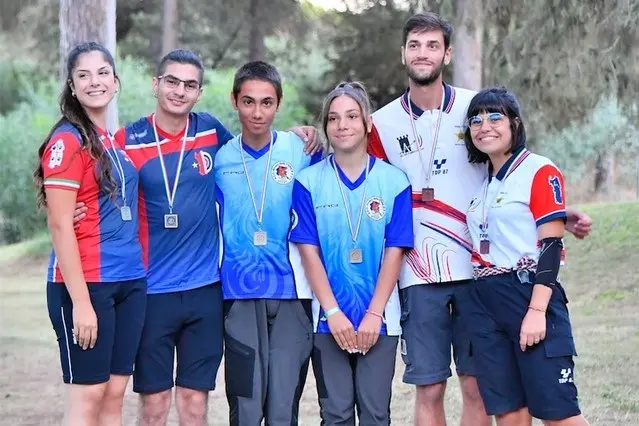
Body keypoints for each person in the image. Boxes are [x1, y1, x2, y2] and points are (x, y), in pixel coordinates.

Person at [367, 12, 593, 426]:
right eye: (415, 45)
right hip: (417, 273)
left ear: (447, 53)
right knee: (430, 387)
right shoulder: (379, 123)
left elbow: (518, 170)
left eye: (433, 45)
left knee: (478, 386)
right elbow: (362, 182)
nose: (423, 53)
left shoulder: (476, 108)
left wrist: (560, 210)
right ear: (403, 53)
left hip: (477, 274)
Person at [72, 49, 319, 426]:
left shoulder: (212, 134)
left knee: (193, 405)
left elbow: (257, 150)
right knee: (154, 406)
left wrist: (303, 133)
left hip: (206, 290)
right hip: (151, 291)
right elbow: (91, 184)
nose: (179, 91)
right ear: (156, 84)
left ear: (199, 93)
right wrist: (72, 209)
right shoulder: (127, 140)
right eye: (172, 81)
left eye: (189, 84)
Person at [34, 42, 147, 426]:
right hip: (87, 285)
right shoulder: (68, 140)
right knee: (88, 398)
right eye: (84, 75)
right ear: (72, 84)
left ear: (115, 82)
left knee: (114, 395)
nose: (94, 81)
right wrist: (81, 303)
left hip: (128, 280)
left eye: (102, 73)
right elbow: (60, 223)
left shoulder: (113, 140)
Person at [463, 86, 590, 426]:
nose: (484, 126)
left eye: (495, 117)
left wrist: (536, 310)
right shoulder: (483, 182)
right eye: (475, 120)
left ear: (515, 124)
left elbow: (551, 246)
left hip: (528, 294)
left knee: (558, 412)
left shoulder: (539, 169)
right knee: (509, 412)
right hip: (485, 300)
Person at [290, 82, 414, 425]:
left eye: (351, 116)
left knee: (376, 415)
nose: (342, 125)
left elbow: (395, 252)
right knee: (335, 415)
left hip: (380, 319)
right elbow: (308, 253)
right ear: (326, 126)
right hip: (328, 320)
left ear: (367, 123)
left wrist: (374, 314)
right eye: (333, 118)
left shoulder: (395, 181)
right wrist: (332, 312)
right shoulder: (308, 181)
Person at [214, 61, 323, 425]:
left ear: (278, 103)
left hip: (293, 293)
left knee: (281, 410)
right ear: (234, 101)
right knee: (245, 408)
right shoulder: (219, 157)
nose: (257, 112)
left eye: (266, 102)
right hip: (238, 294)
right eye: (248, 102)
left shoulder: (303, 150)